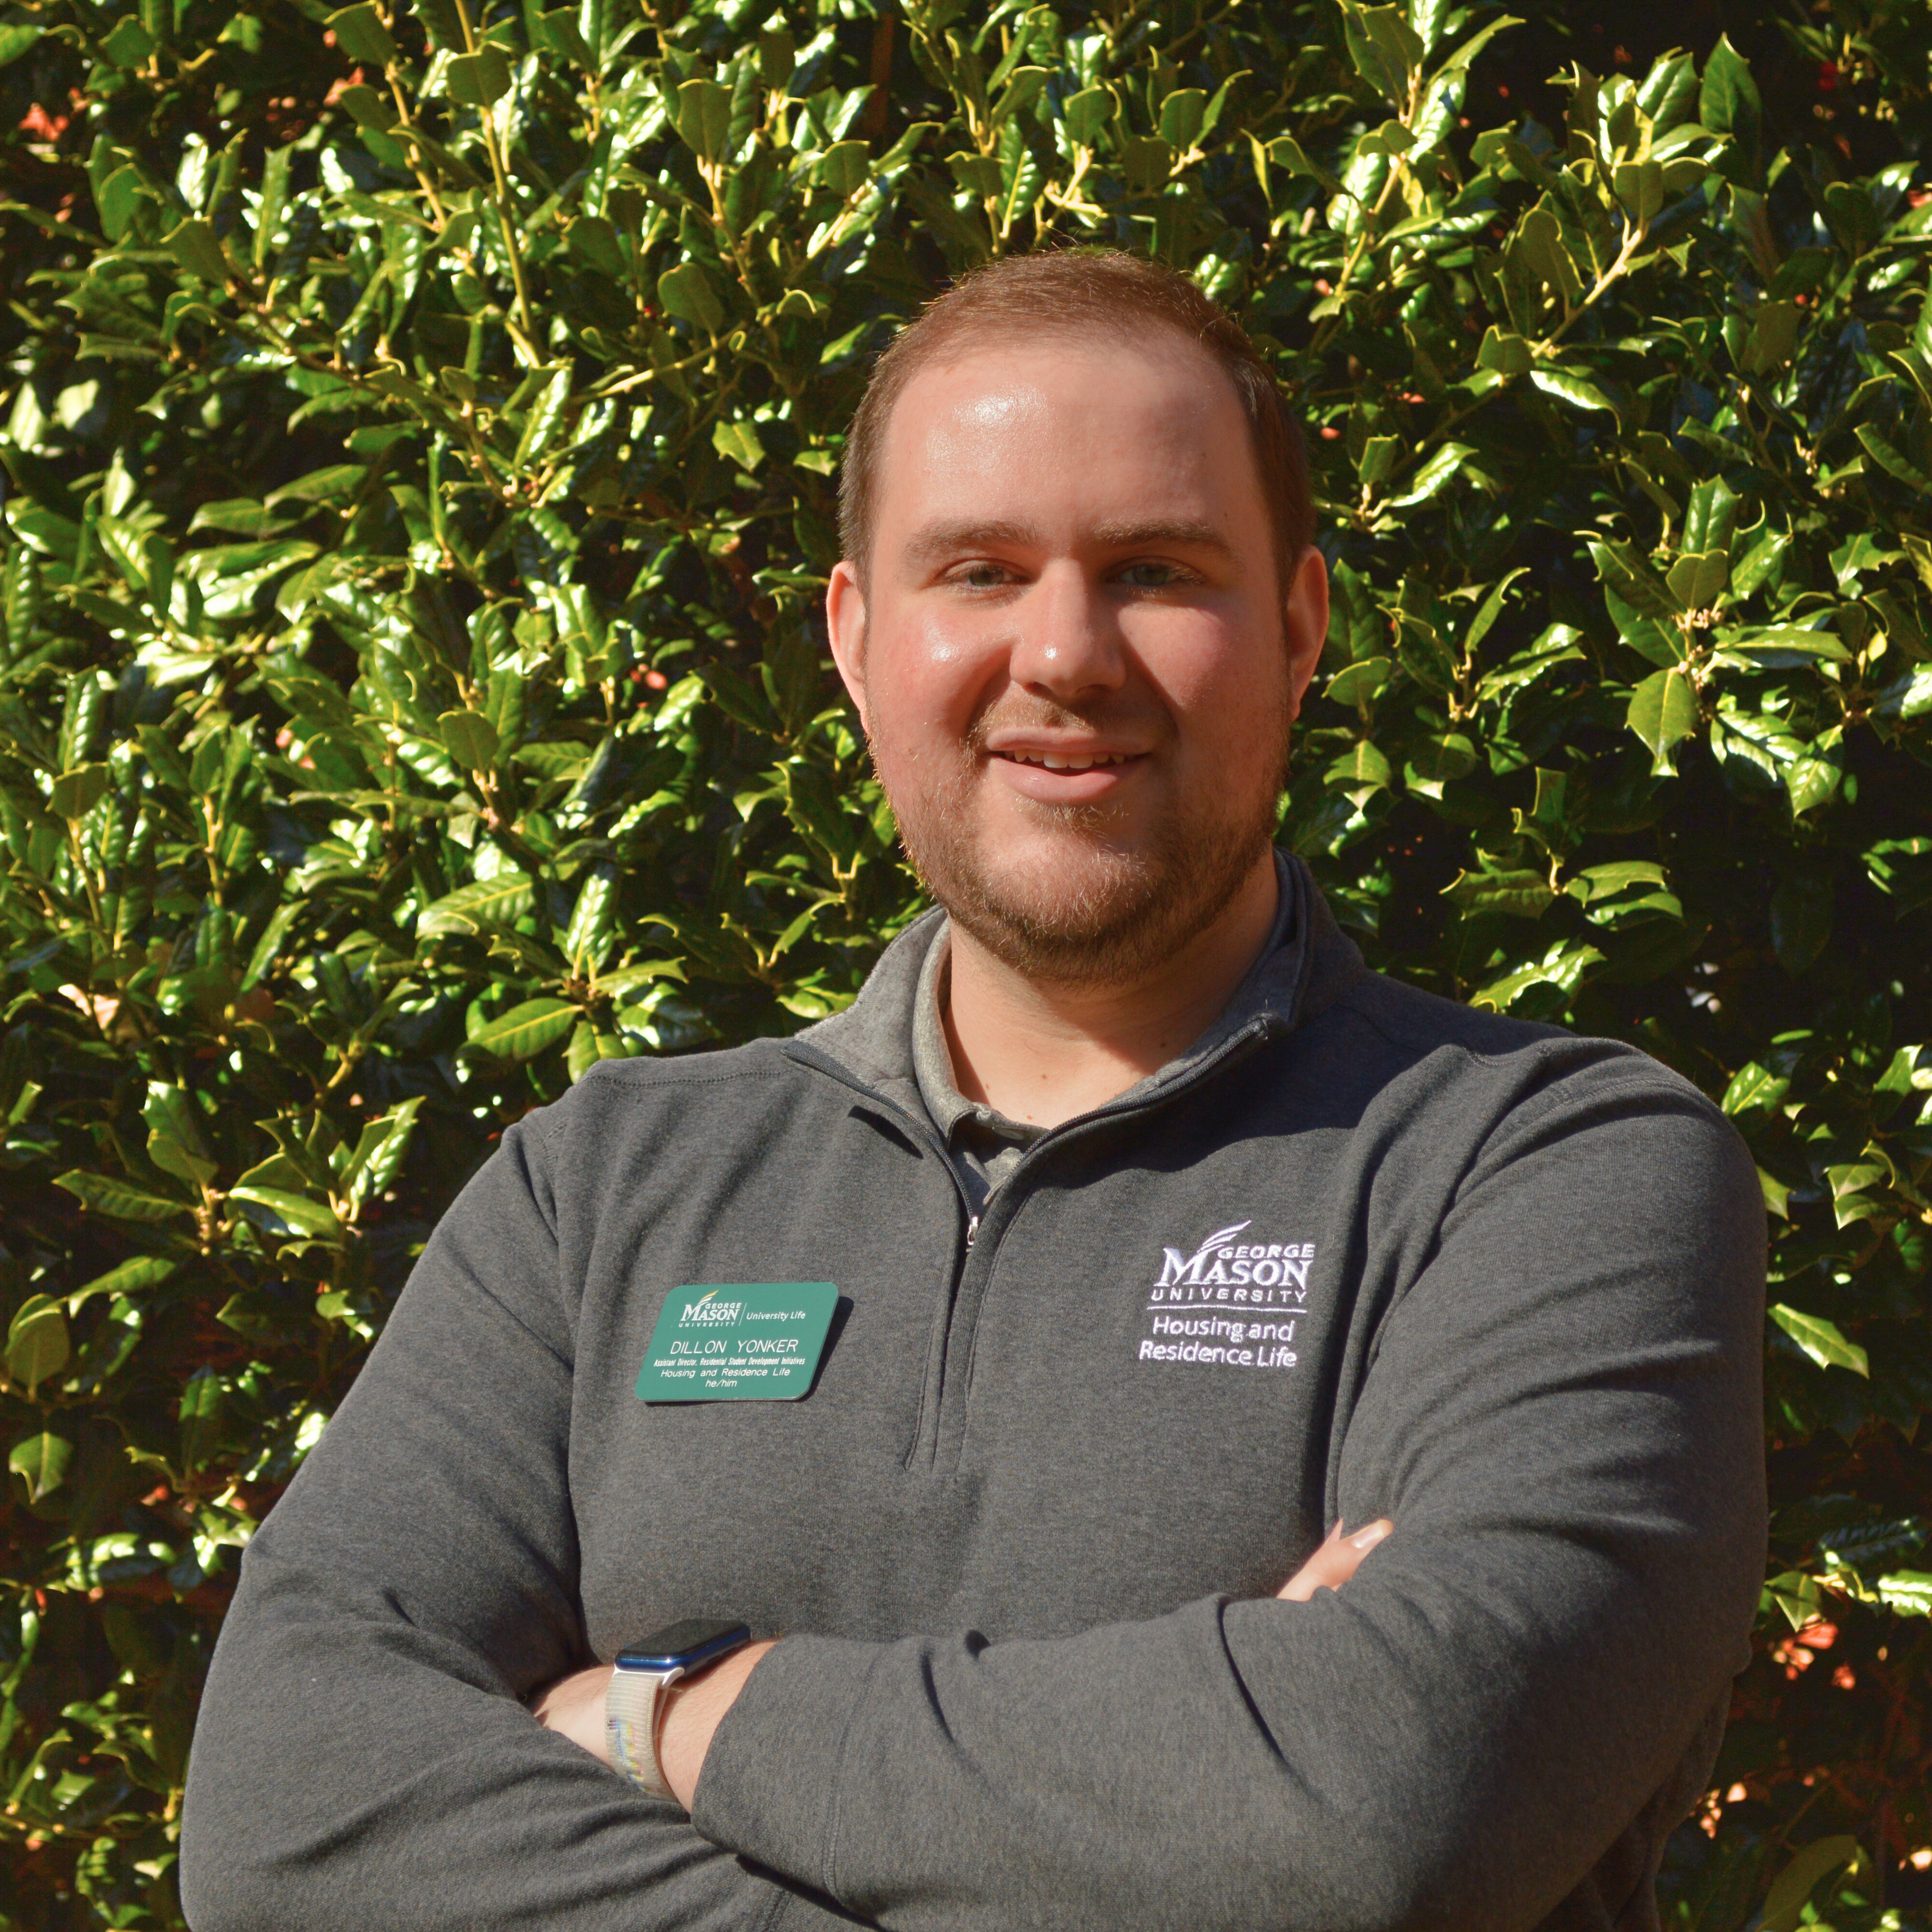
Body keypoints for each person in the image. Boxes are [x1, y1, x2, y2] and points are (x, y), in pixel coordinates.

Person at [179, 251, 1766, 1932]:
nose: (1065, 652)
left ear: (1298, 631)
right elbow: (288, 1814)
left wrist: (670, 1720)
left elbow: (1386, 1805)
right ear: (857, 642)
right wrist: (1181, 1808)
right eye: (981, 570)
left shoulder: (1546, 1171)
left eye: (1155, 569)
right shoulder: (600, 1194)